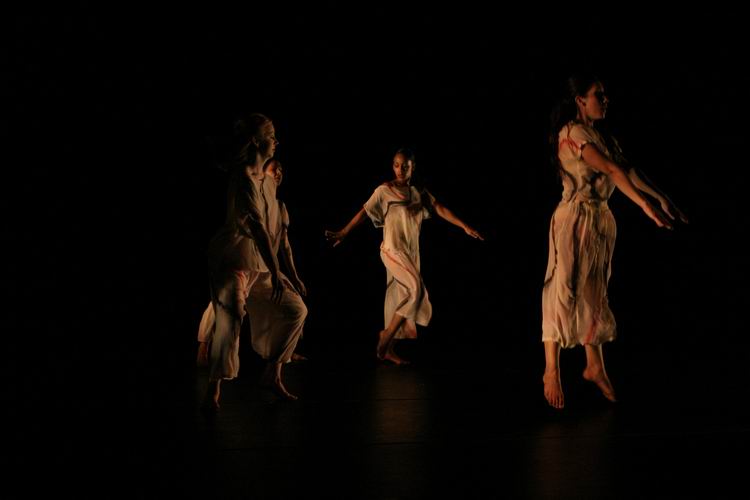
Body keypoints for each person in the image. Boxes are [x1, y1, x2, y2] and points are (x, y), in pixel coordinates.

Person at [542, 74, 688, 409]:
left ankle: (595, 366)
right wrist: (645, 205)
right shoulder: (572, 133)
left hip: (600, 219)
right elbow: (610, 170)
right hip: (574, 218)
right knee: (563, 289)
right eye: (599, 94)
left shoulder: (601, 135)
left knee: (594, 290)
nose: (605, 100)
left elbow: (628, 169)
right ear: (580, 100)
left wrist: (660, 197)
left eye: (604, 94)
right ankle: (551, 369)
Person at [325, 148, 483, 364]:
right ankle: (386, 336)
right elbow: (365, 211)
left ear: (412, 167)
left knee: (399, 296)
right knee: (415, 290)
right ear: (393, 166)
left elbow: (439, 208)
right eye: (397, 165)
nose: (400, 170)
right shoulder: (384, 190)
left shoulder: (418, 192)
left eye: (405, 166)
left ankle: (388, 349)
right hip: (392, 250)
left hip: (409, 253)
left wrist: (464, 226)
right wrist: (344, 232)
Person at [203, 114, 307, 410]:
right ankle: (213, 389)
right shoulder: (243, 179)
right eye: (271, 136)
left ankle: (272, 374)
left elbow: (277, 234)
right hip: (235, 259)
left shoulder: (267, 181)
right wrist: (275, 270)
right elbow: (258, 229)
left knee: (296, 309)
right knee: (231, 318)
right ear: (256, 141)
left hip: (258, 263)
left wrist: (284, 273)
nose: (276, 142)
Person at [196, 158, 308, 368]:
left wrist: (293, 277)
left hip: (265, 267)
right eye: (274, 169)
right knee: (224, 303)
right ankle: (205, 345)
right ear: (263, 173)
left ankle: (284, 353)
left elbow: (284, 246)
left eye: (281, 170)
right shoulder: (253, 196)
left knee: (294, 304)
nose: (278, 173)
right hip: (247, 262)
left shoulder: (280, 207)